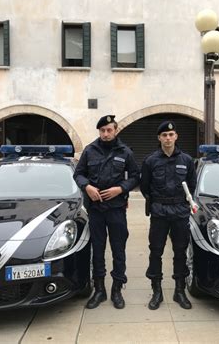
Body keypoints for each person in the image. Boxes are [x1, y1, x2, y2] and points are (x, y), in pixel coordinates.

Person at [73, 115, 139, 309]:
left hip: (117, 209)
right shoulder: (90, 150)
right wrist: (87, 187)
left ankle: (117, 289)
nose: (106, 134)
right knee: (98, 251)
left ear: (115, 130)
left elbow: (136, 176)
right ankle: (99, 290)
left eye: (109, 130)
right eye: (102, 130)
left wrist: (121, 188)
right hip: (96, 210)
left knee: (119, 250)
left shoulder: (125, 152)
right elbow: (78, 173)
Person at [140, 121, 197, 310]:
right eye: (164, 135)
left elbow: (192, 185)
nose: (168, 138)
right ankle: (157, 291)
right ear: (159, 138)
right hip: (159, 212)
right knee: (156, 251)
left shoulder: (187, 160)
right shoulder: (150, 161)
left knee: (180, 251)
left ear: (176, 136)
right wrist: (157, 202)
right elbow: (145, 187)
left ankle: (179, 290)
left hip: (180, 211)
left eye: (171, 134)